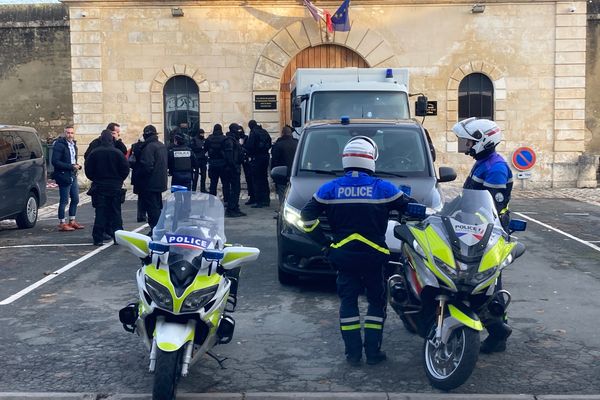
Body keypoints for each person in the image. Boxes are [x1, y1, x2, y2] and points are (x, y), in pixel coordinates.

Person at [300, 136, 416, 366]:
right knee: (376, 302)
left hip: (343, 257)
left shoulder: (330, 188)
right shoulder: (383, 187)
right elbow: (412, 208)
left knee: (348, 303)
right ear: (371, 159)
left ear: (346, 159)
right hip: (374, 257)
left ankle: (352, 355)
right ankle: (373, 354)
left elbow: (306, 217)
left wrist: (324, 243)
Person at [451, 117, 513, 354]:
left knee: (490, 280)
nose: (463, 144)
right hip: (476, 228)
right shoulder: (484, 162)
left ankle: (498, 333)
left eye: (466, 141)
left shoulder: (495, 168)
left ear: (482, 141)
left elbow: (490, 209)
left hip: (491, 230)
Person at [84, 130, 130, 246]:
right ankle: (118, 237)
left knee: (100, 212)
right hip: (115, 186)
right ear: (112, 140)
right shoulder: (117, 153)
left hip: (99, 186)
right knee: (116, 213)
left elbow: (88, 170)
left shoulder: (94, 153)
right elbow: (125, 169)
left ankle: (98, 238)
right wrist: (119, 180)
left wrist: (95, 178)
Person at [134, 125, 168, 236]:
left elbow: (146, 166)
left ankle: (156, 229)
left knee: (152, 208)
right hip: (160, 181)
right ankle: (157, 228)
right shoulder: (161, 146)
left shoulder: (149, 147)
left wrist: (139, 175)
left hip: (150, 183)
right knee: (157, 206)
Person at [51, 125, 85, 232]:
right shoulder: (59, 145)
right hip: (63, 175)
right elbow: (55, 161)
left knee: (75, 199)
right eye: (68, 133)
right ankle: (62, 223)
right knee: (64, 200)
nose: (70, 135)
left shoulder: (73, 145)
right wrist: (71, 166)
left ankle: (72, 220)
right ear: (64, 133)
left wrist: (76, 165)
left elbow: (72, 159)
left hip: (72, 174)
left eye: (71, 133)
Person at [244, 120, 272, 208]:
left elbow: (250, 146)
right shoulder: (264, 131)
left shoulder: (253, 133)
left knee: (256, 180)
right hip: (265, 157)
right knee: (264, 178)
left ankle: (258, 201)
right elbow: (270, 143)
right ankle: (266, 200)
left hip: (256, 158)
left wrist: (244, 147)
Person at [270, 125, 298, 207]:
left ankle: (282, 210)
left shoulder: (278, 145)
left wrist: (273, 173)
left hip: (281, 173)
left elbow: (274, 160)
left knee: (282, 193)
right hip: (296, 172)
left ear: (282, 133)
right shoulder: (297, 143)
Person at [223, 123, 247, 218]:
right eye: (237, 130)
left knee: (236, 189)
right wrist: (234, 166)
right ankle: (231, 209)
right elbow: (229, 156)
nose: (239, 132)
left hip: (234, 167)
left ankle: (235, 207)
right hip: (232, 168)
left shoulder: (234, 139)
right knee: (234, 189)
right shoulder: (229, 140)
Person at [203, 124, 232, 198]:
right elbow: (228, 153)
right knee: (225, 183)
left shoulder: (209, 139)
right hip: (223, 164)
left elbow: (204, 150)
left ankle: (211, 202)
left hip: (212, 163)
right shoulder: (225, 139)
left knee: (213, 183)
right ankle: (226, 200)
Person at [128, 134, 147, 223]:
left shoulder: (134, 146)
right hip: (144, 174)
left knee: (141, 197)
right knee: (147, 196)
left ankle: (140, 215)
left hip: (136, 174)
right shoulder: (146, 147)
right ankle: (144, 215)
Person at [238, 126, 255, 205]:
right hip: (238, 160)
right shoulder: (234, 138)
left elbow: (249, 148)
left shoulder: (246, 138)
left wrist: (242, 146)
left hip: (246, 160)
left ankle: (252, 196)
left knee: (249, 178)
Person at [190, 128, 208, 193]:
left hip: (203, 159)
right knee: (196, 176)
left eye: (203, 134)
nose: (202, 135)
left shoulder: (204, 140)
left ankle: (203, 189)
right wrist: (200, 148)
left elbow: (206, 148)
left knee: (203, 175)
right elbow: (192, 148)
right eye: (201, 134)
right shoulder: (194, 139)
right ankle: (194, 189)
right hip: (196, 160)